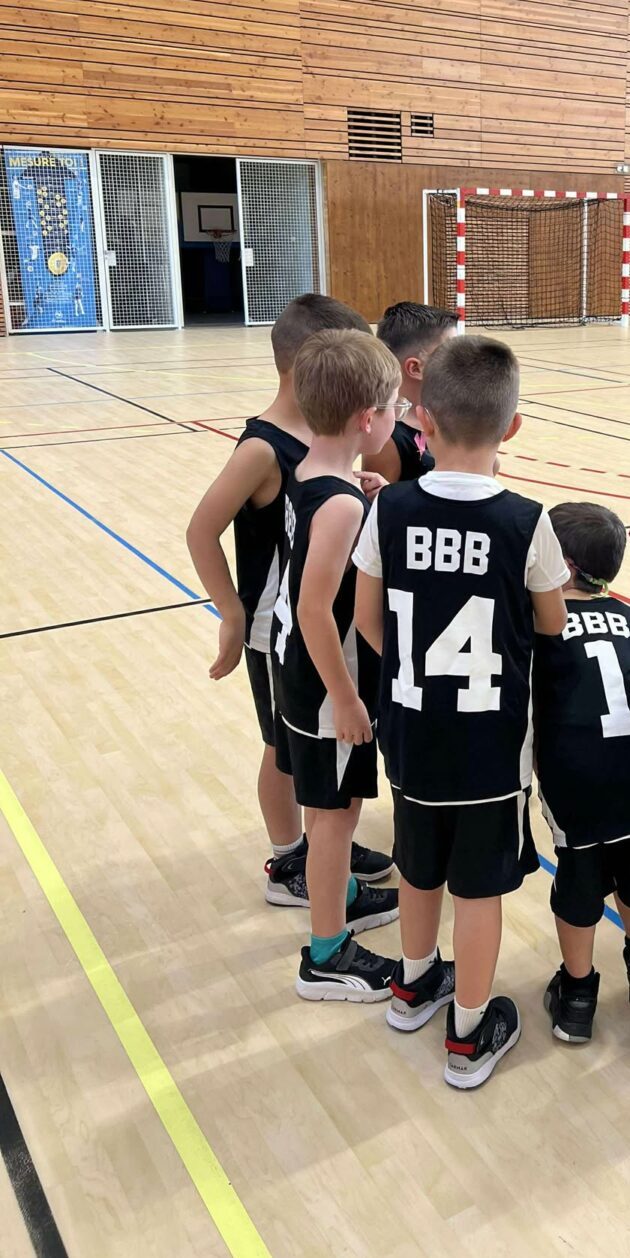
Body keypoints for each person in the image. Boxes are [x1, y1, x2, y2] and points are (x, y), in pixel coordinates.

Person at [353, 336, 568, 1089]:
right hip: (491, 744)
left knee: (418, 865)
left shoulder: (389, 507)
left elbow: (367, 618)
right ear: (512, 428)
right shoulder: (527, 520)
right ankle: (470, 1034)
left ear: (424, 421)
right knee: (479, 889)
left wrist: (414, 669)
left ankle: (413, 985)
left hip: (411, 729)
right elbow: (551, 624)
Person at [185, 293, 393, 901]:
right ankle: (290, 860)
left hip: (307, 624)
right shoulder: (262, 447)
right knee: (282, 747)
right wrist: (230, 612)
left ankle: (323, 842)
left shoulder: (323, 442)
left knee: (304, 750)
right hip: (278, 628)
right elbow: (201, 530)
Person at [269, 329, 403, 1002]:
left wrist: (361, 488)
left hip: (296, 671)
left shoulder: (314, 474)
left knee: (326, 807)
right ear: (366, 420)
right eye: (395, 406)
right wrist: (348, 699)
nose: (399, 416)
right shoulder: (343, 504)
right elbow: (316, 607)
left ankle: (336, 890)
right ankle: (327, 953)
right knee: (335, 817)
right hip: (328, 685)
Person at [533, 502, 630, 1044]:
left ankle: (577, 994)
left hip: (577, 773)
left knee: (578, 874)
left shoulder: (541, 623)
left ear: (564, 566)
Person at [361, 301, 457, 484]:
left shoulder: (452, 419)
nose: (459, 361)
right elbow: (380, 501)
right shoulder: (388, 440)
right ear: (415, 368)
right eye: (450, 354)